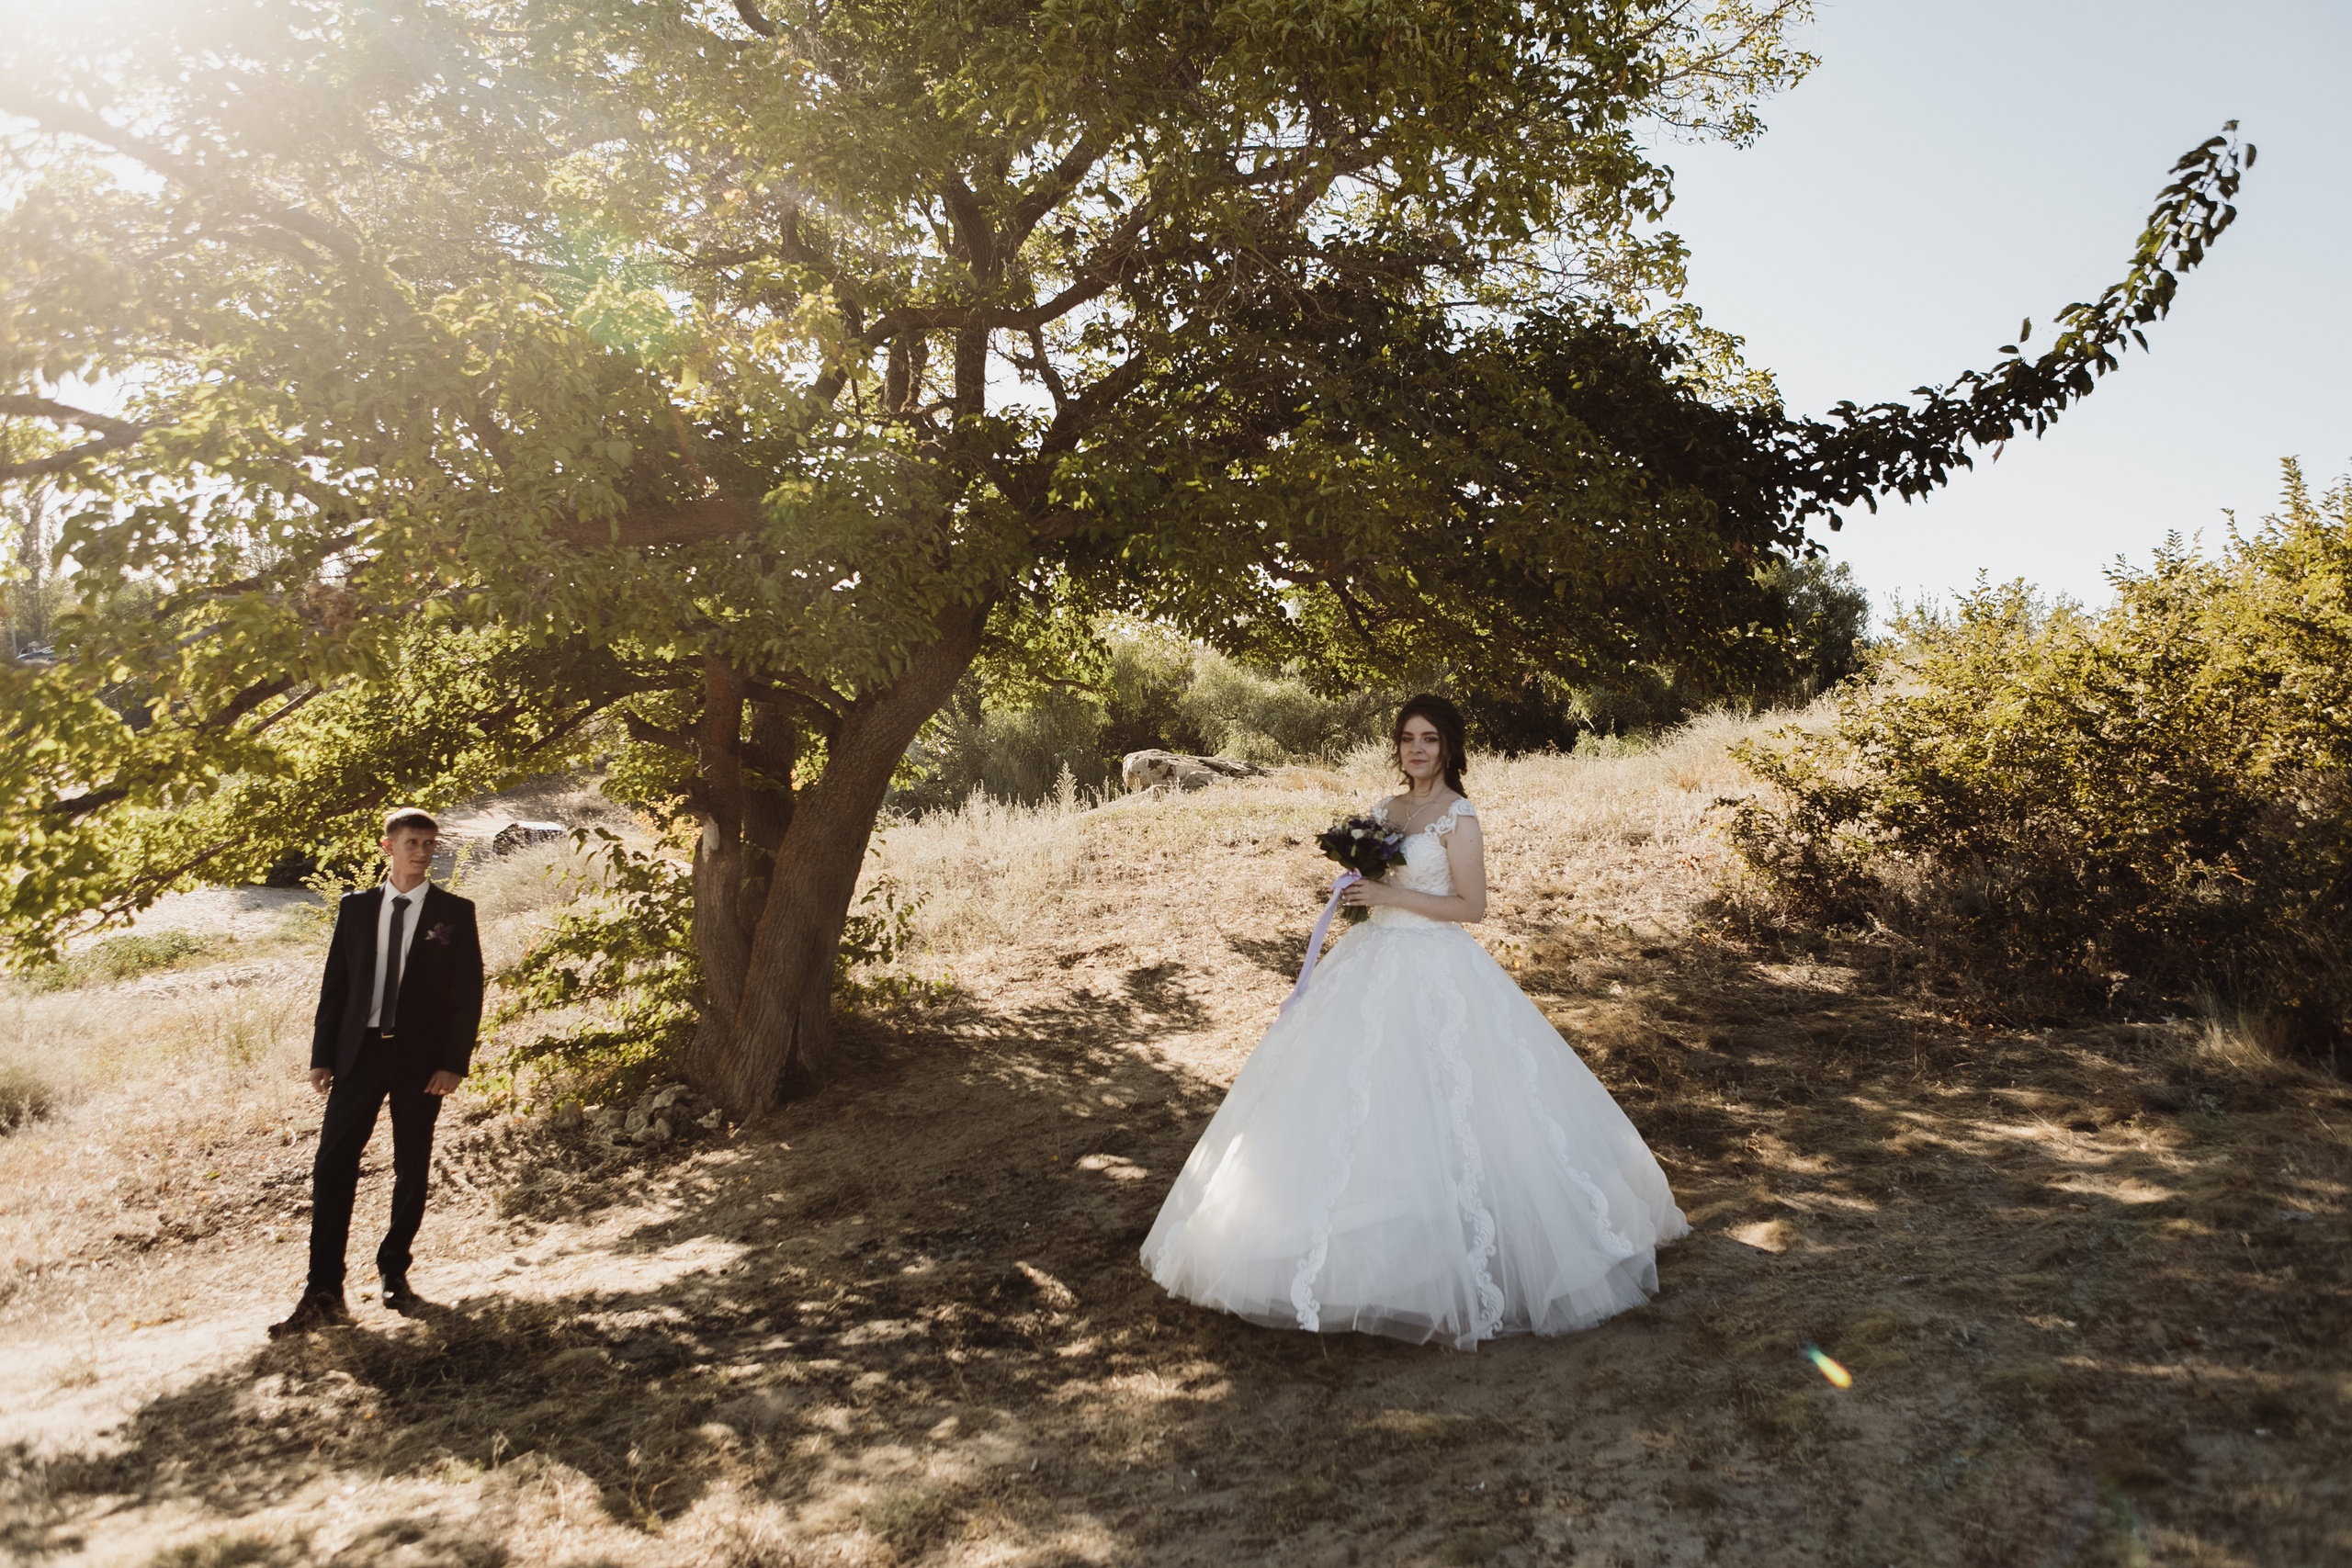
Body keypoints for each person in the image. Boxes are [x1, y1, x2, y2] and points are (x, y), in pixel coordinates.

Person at [1141, 695, 1688, 1349]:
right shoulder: (1383, 812)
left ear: (1450, 746)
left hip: (1436, 965)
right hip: (1369, 960)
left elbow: (1473, 906)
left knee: (1452, 1095)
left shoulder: (1460, 817)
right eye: (1407, 738)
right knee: (1354, 1100)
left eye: (1429, 738)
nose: (1417, 749)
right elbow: (1368, 885)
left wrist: (1390, 894)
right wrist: (1354, 891)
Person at [269, 808, 484, 1337]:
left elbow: (467, 996)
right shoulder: (357, 908)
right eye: (412, 842)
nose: (422, 851)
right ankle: (323, 1289)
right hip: (359, 1054)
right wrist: (322, 1056)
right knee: (332, 1165)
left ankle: (395, 1272)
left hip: (421, 1061)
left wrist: (453, 1063)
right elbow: (335, 986)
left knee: (411, 1165)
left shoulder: (454, 912)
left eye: (430, 843)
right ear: (388, 846)